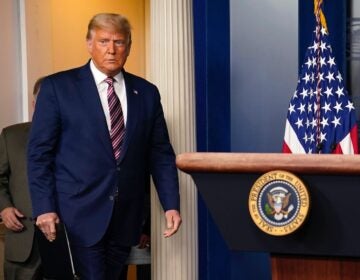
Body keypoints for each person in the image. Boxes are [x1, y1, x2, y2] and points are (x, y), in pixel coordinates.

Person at [27, 13, 181, 280]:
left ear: (129, 46)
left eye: (119, 42)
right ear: (89, 44)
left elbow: (160, 153)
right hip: (76, 215)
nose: (111, 49)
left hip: (125, 219)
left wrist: (171, 204)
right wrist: (44, 207)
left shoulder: (146, 92)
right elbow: (39, 155)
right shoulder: (58, 88)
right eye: (104, 41)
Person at [0, 77, 44, 280]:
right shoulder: (11, 135)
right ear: (34, 103)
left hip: (67, 241)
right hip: (22, 238)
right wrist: (4, 207)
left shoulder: (79, 138)